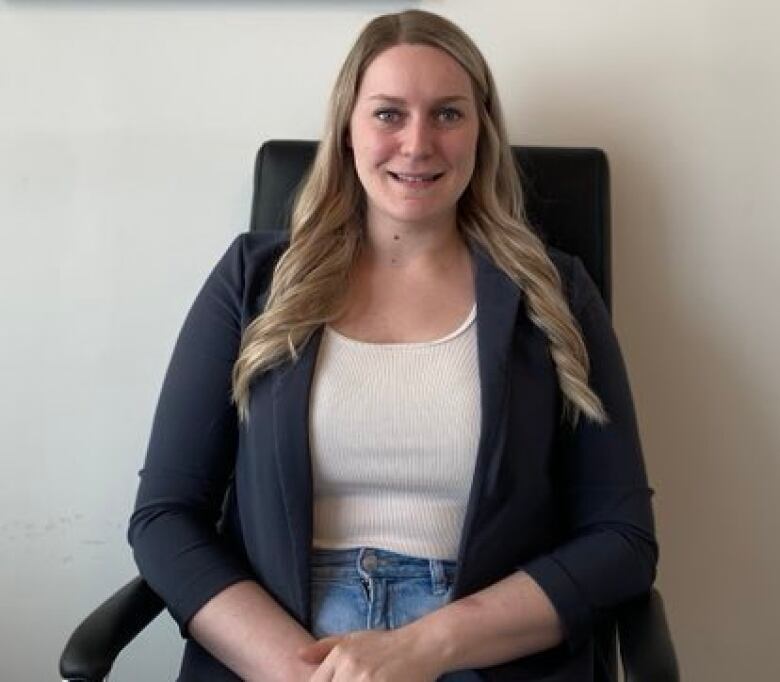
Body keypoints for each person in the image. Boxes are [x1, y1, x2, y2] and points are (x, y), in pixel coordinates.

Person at [128, 9, 657, 682]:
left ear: (482, 133)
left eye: (447, 114)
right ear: (347, 130)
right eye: (387, 114)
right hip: (287, 642)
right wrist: (299, 671)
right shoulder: (252, 282)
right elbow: (166, 518)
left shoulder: (556, 293)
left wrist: (429, 645)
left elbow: (622, 539)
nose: (416, 143)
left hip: (483, 648)